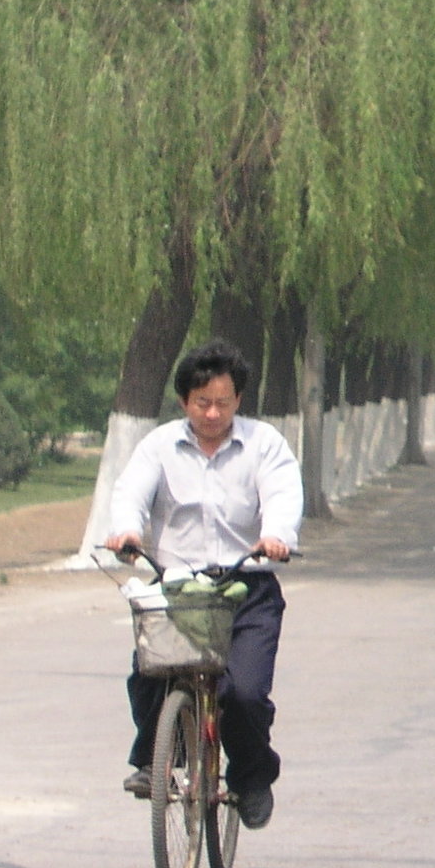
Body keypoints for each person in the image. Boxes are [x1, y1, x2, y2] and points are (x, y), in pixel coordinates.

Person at [105, 340, 300, 829]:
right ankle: (155, 762)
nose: (212, 413)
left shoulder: (265, 444)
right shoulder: (159, 445)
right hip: (177, 587)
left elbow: (281, 494)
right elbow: (131, 491)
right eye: (201, 403)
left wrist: (275, 536)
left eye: (223, 402)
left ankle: (252, 777)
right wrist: (127, 529)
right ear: (183, 402)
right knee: (149, 672)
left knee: (245, 694)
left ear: (239, 401)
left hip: (246, 587)